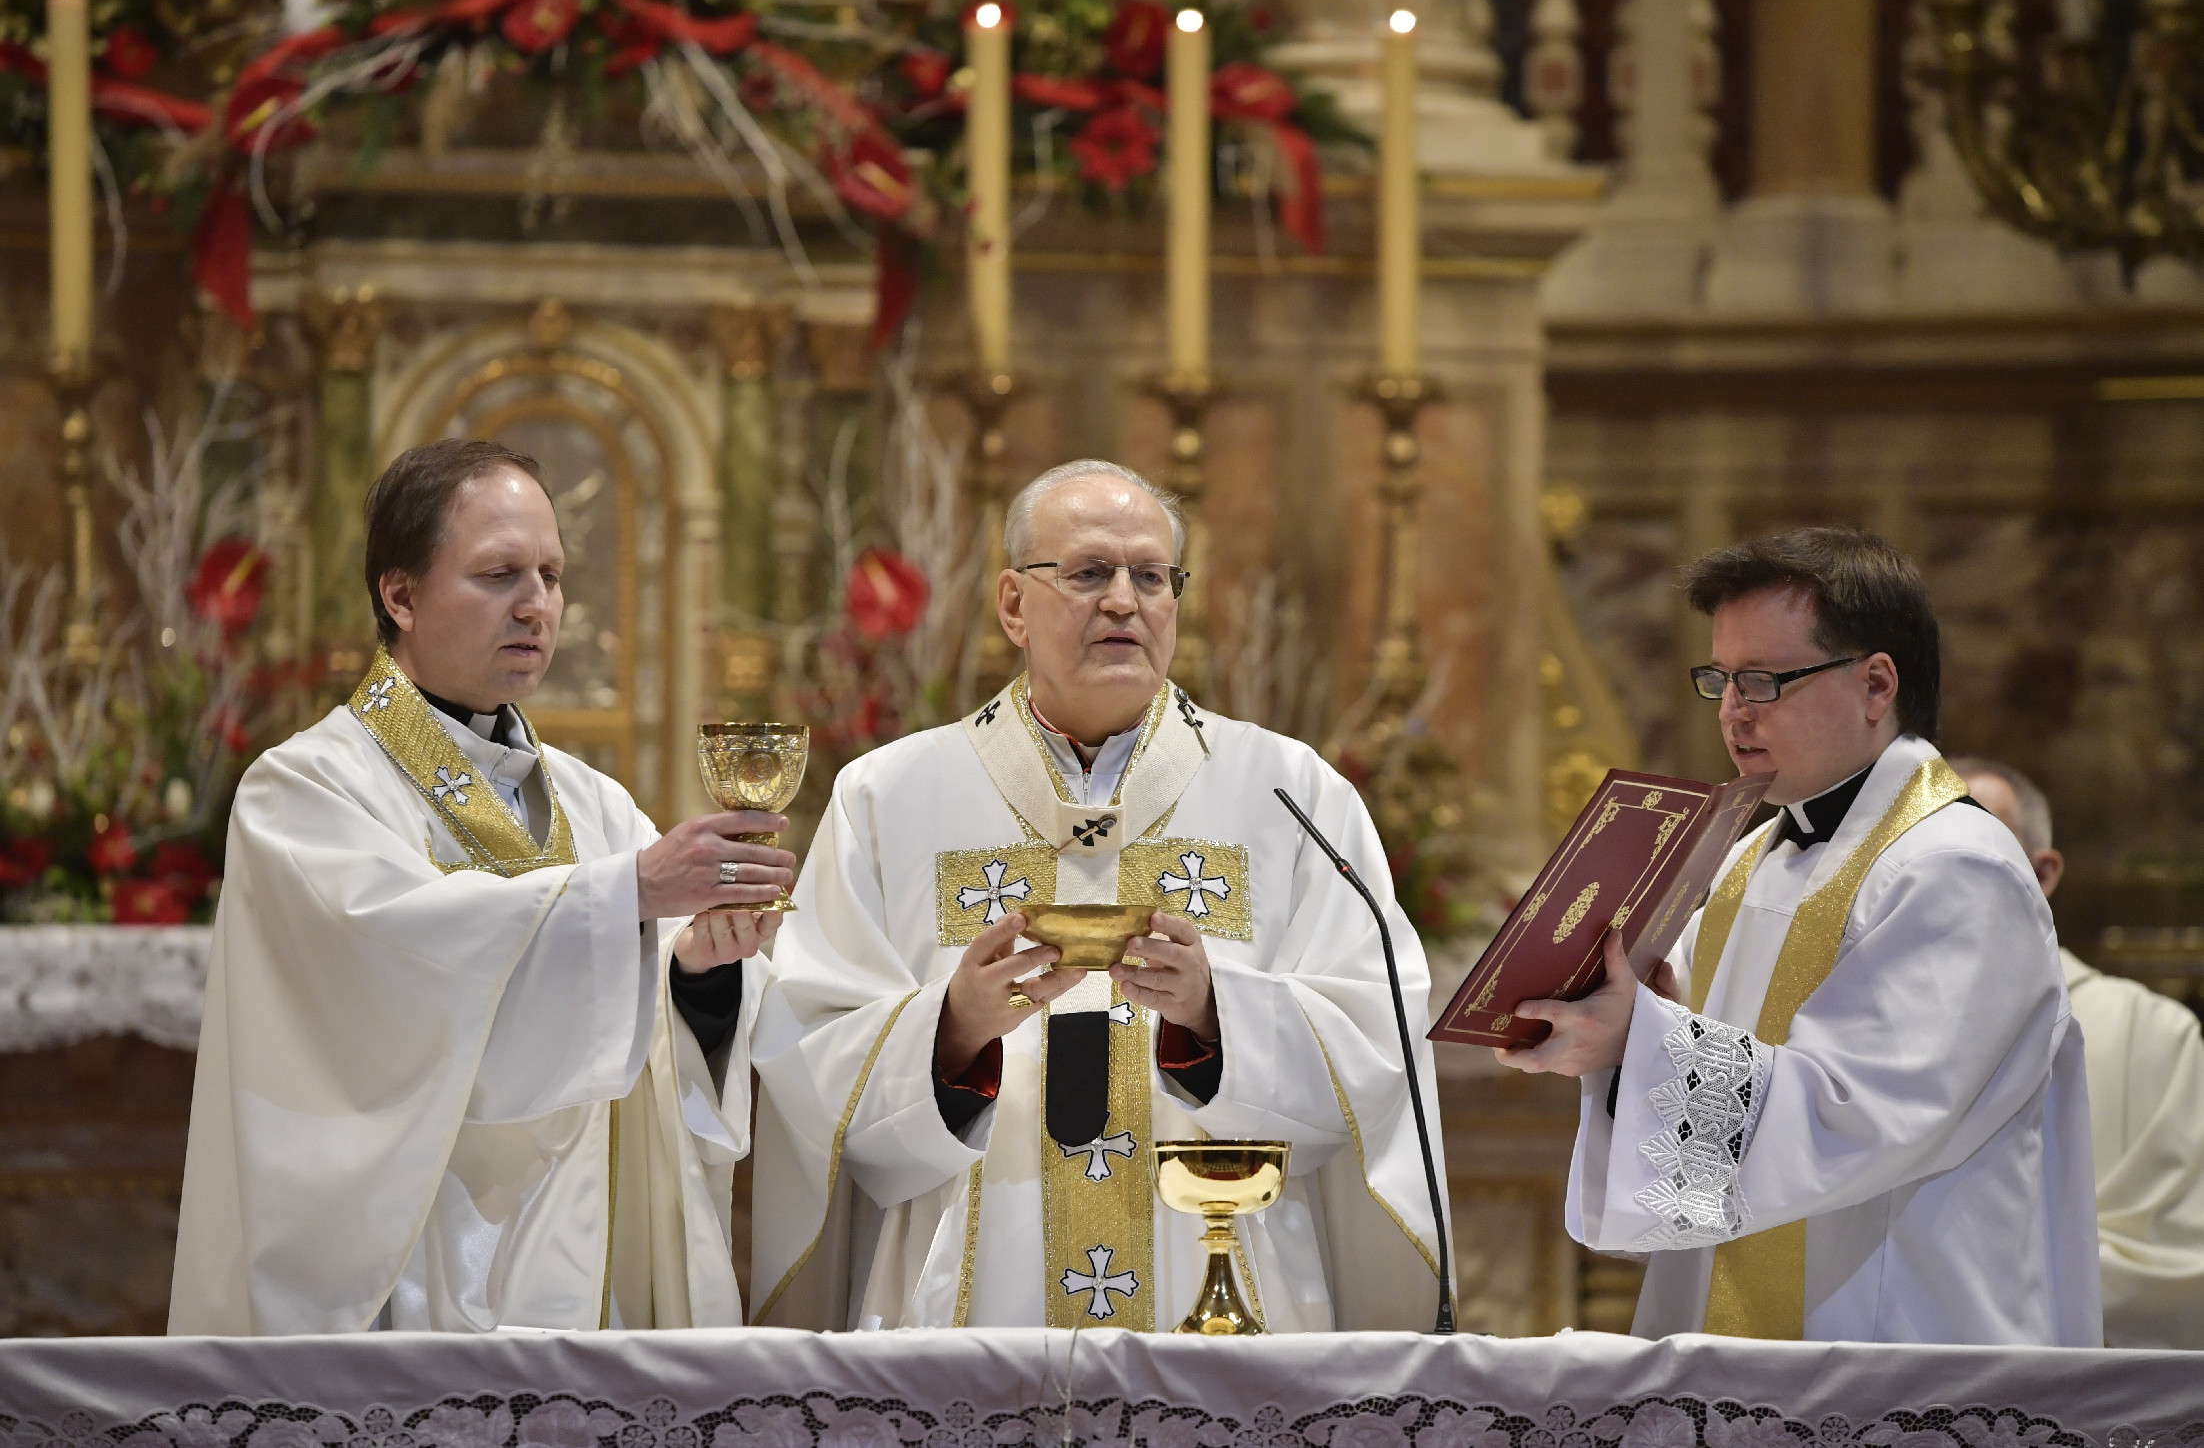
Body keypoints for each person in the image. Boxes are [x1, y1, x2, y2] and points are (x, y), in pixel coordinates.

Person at [749, 459, 1449, 1331]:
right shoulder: (888, 799)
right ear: (1013, 604)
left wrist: (1213, 1014)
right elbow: (806, 1055)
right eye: (1088, 573)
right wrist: (952, 1028)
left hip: (1221, 1295)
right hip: (973, 1300)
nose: (1125, 600)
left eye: (1152, 576)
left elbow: (1378, 1043)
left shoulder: (1290, 793)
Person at [170, 438, 795, 1334]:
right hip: (415, 1277)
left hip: (583, 1280)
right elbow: (401, 967)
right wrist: (631, 895)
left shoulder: (594, 802)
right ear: (401, 594)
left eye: (551, 573)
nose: (537, 606)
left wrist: (699, 967)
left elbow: (652, 1034)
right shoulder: (304, 790)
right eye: (500, 573)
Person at [1497, 527, 2099, 1345]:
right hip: (1751, 1335)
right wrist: (1611, 1023)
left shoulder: (1958, 867)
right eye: (1720, 679)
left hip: (1901, 1337)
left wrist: (1643, 1040)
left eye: (1764, 681)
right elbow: (1672, 1040)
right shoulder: (1752, 854)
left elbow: (1857, 1111)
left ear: (1876, 685)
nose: (1733, 711)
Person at [1953, 755, 2204, 1349]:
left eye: (1973, 848)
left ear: (2043, 874)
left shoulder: (2150, 1033)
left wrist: (1955, 1275)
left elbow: (2174, 1259)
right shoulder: (1848, 1022)